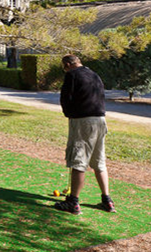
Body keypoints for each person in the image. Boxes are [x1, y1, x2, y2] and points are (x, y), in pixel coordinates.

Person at [55, 54, 116, 215]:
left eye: (64, 67)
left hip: (83, 121)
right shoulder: (93, 74)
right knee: (99, 161)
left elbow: (65, 98)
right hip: (100, 120)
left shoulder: (71, 75)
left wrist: (69, 113)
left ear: (68, 64)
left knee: (79, 161)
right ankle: (107, 201)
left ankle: (73, 202)